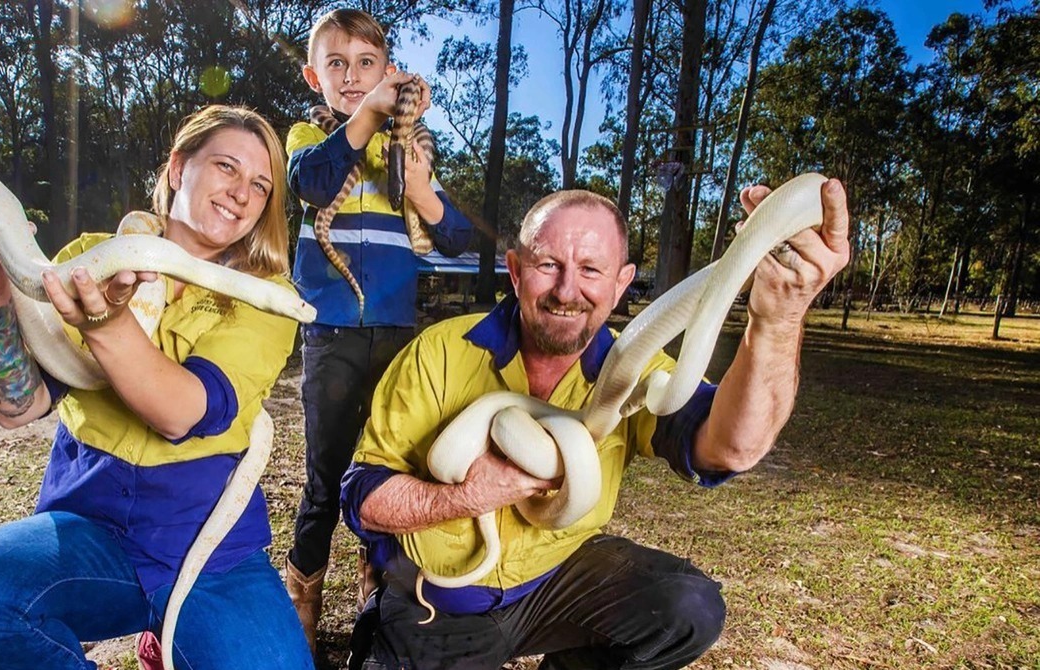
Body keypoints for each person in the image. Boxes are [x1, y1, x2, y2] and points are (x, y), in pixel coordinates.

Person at [339, 183, 851, 669]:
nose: (567, 290)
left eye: (590, 269)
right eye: (547, 264)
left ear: (621, 283)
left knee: (687, 606)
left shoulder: (635, 366)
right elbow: (362, 498)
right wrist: (466, 497)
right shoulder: (441, 352)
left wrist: (779, 319)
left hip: (554, 580)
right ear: (515, 272)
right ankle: (381, 600)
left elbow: (730, 449)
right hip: (441, 599)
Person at [0, 105, 313, 670]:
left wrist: (107, 325)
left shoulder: (264, 297)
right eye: (226, 167)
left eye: (260, 186)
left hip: (210, 549)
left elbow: (181, 414)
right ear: (177, 168)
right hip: (89, 532)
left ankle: (174, 632)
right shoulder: (86, 260)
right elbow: (17, 405)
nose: (242, 194)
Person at [284, 8, 474, 650]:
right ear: (314, 75)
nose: (351, 75)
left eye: (366, 64)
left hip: (395, 333)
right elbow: (310, 182)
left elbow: (453, 237)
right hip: (331, 332)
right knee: (324, 470)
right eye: (335, 63)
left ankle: (378, 582)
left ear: (389, 71)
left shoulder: (410, 144)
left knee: (385, 465)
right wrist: (367, 115)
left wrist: (420, 186)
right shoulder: (307, 141)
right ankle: (304, 589)